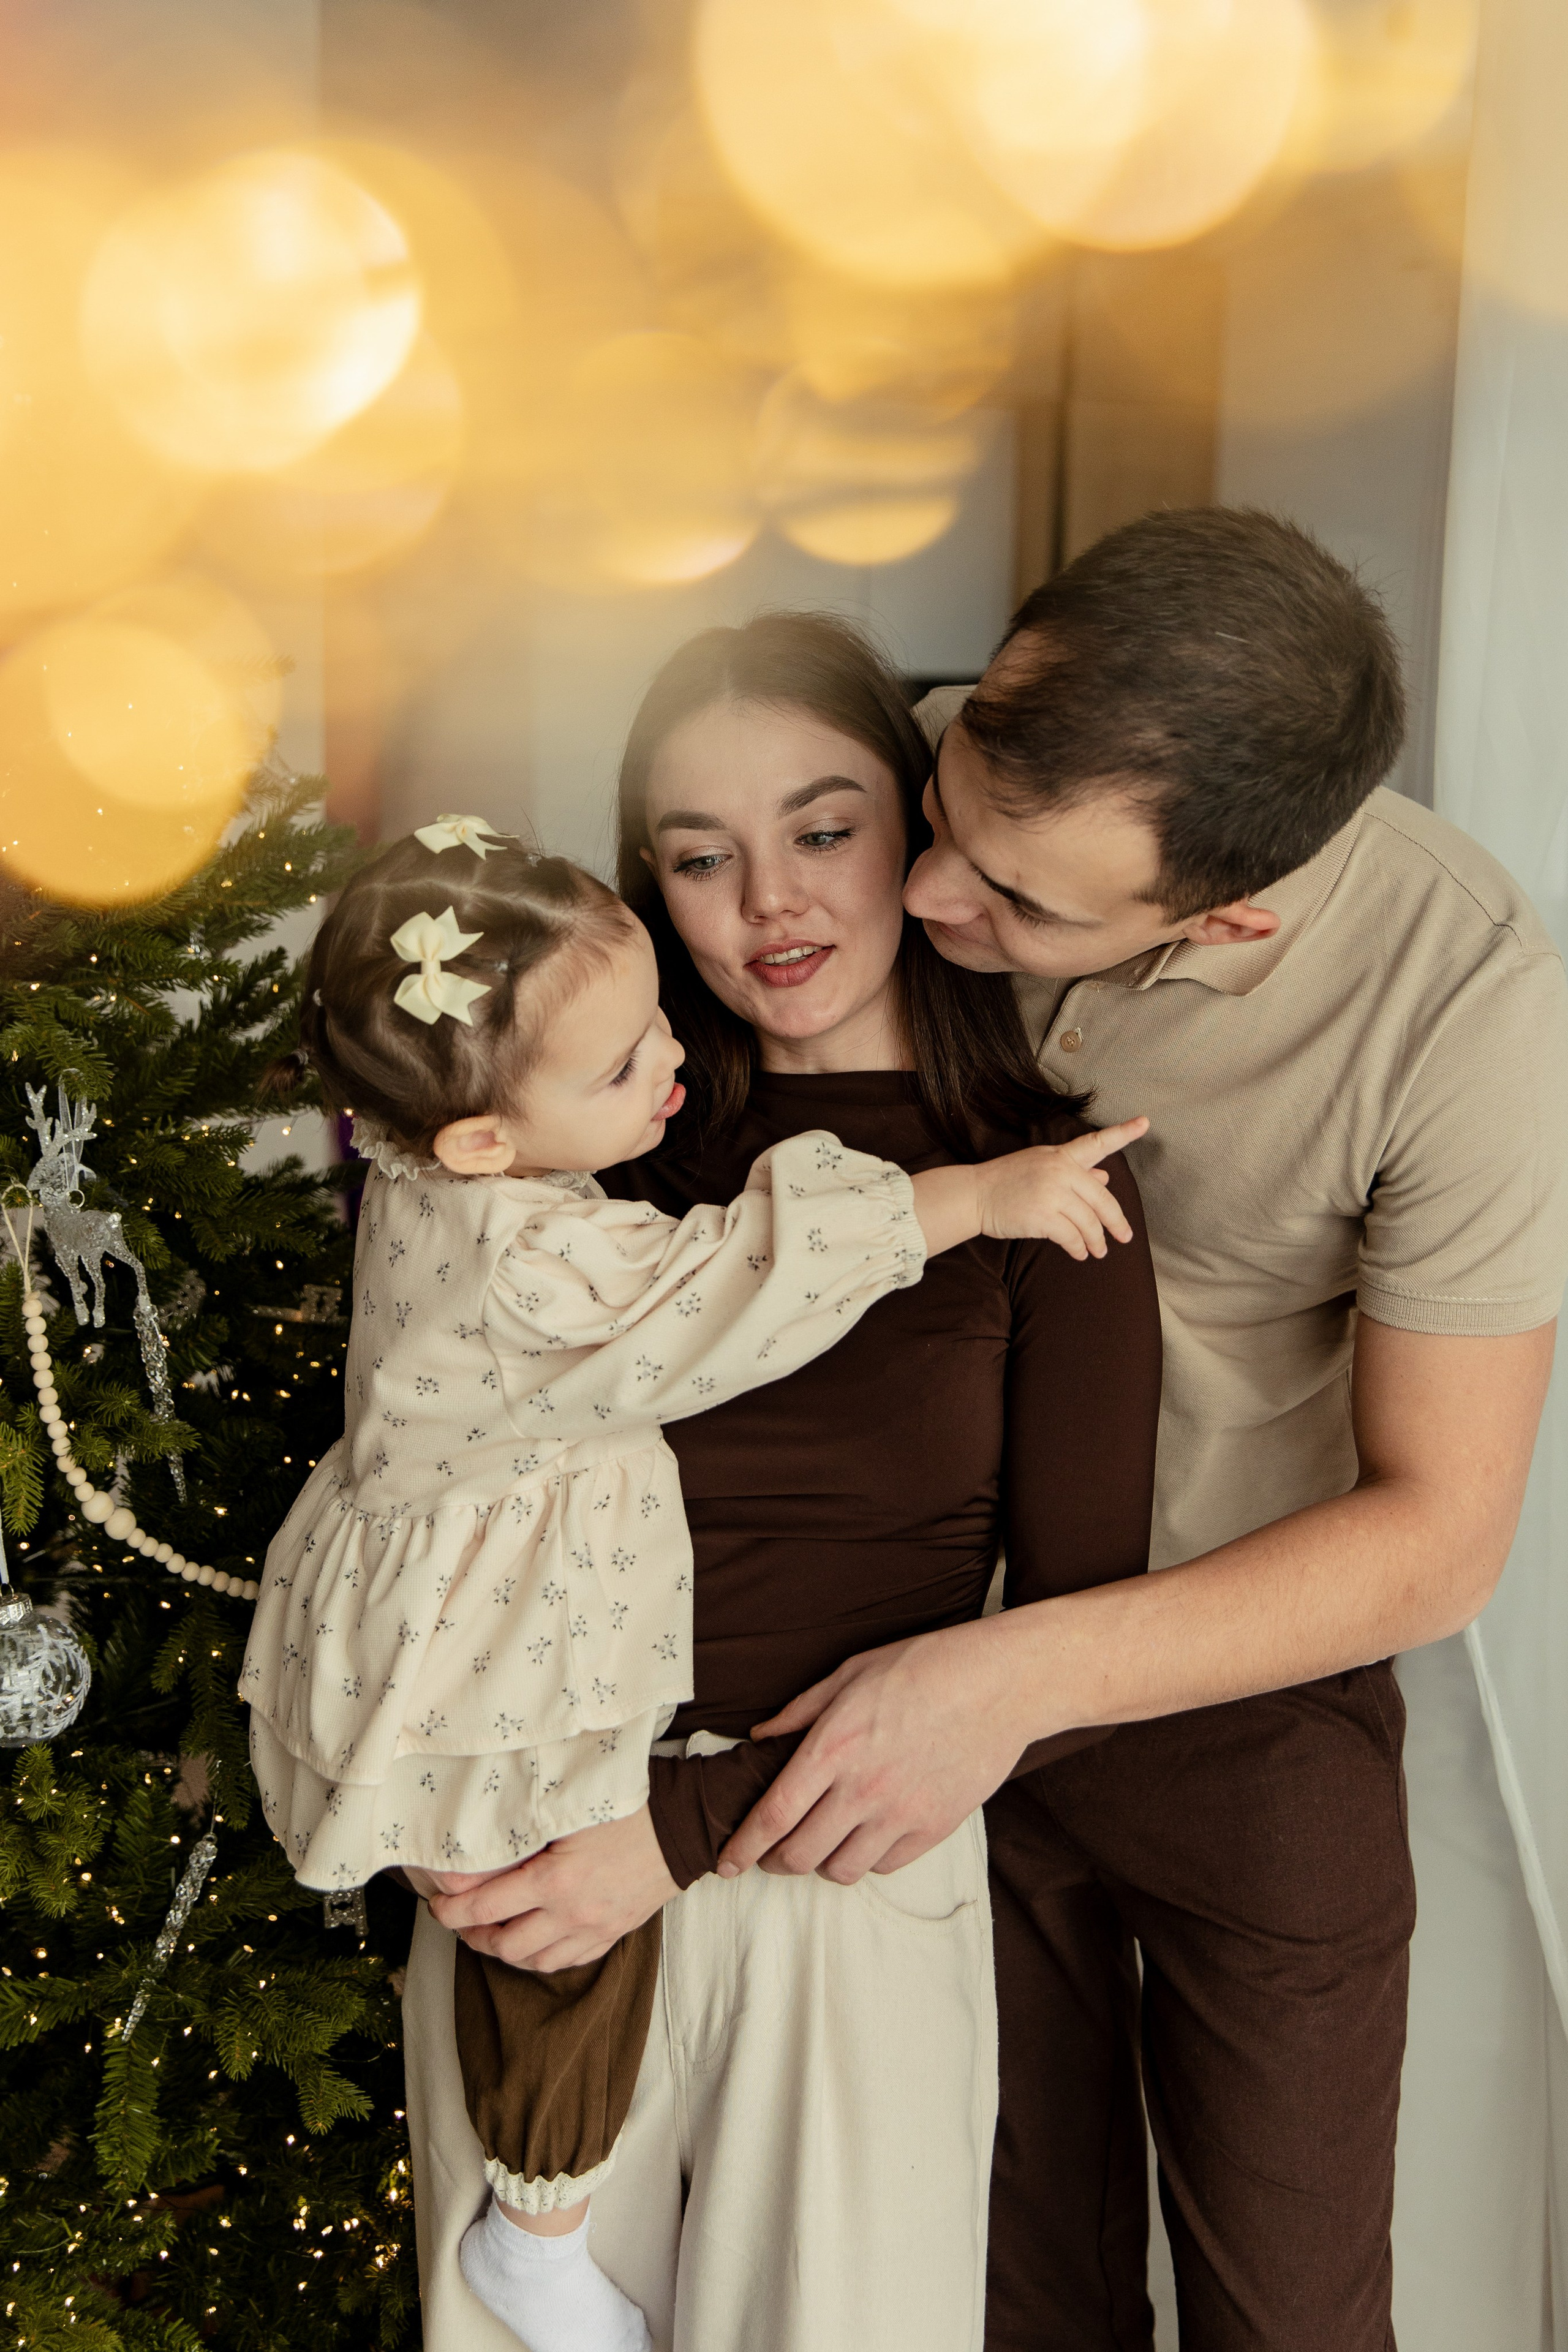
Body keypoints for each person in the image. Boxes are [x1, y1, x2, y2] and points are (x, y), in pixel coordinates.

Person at [713, 511, 1568, 2350]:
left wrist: (1016, 1680)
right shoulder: (894, 800)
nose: (933, 906)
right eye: (944, 816)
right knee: (990, 2298)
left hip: (1228, 1685)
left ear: (1231, 911)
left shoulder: (1477, 1014)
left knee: (1296, 2316)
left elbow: (1443, 1532)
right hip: (875, 1648)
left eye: (1017, 906)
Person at [246, 810, 1141, 2352]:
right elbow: (728, 1283)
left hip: (797, 1858)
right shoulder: (529, 1234)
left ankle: (542, 2218)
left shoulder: (455, 1146)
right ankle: (543, 2223)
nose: (665, 1057)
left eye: (825, 828)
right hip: (533, 1775)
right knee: (539, 2035)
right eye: (700, 852)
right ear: (480, 1136)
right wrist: (973, 1197)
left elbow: (1072, 1642)